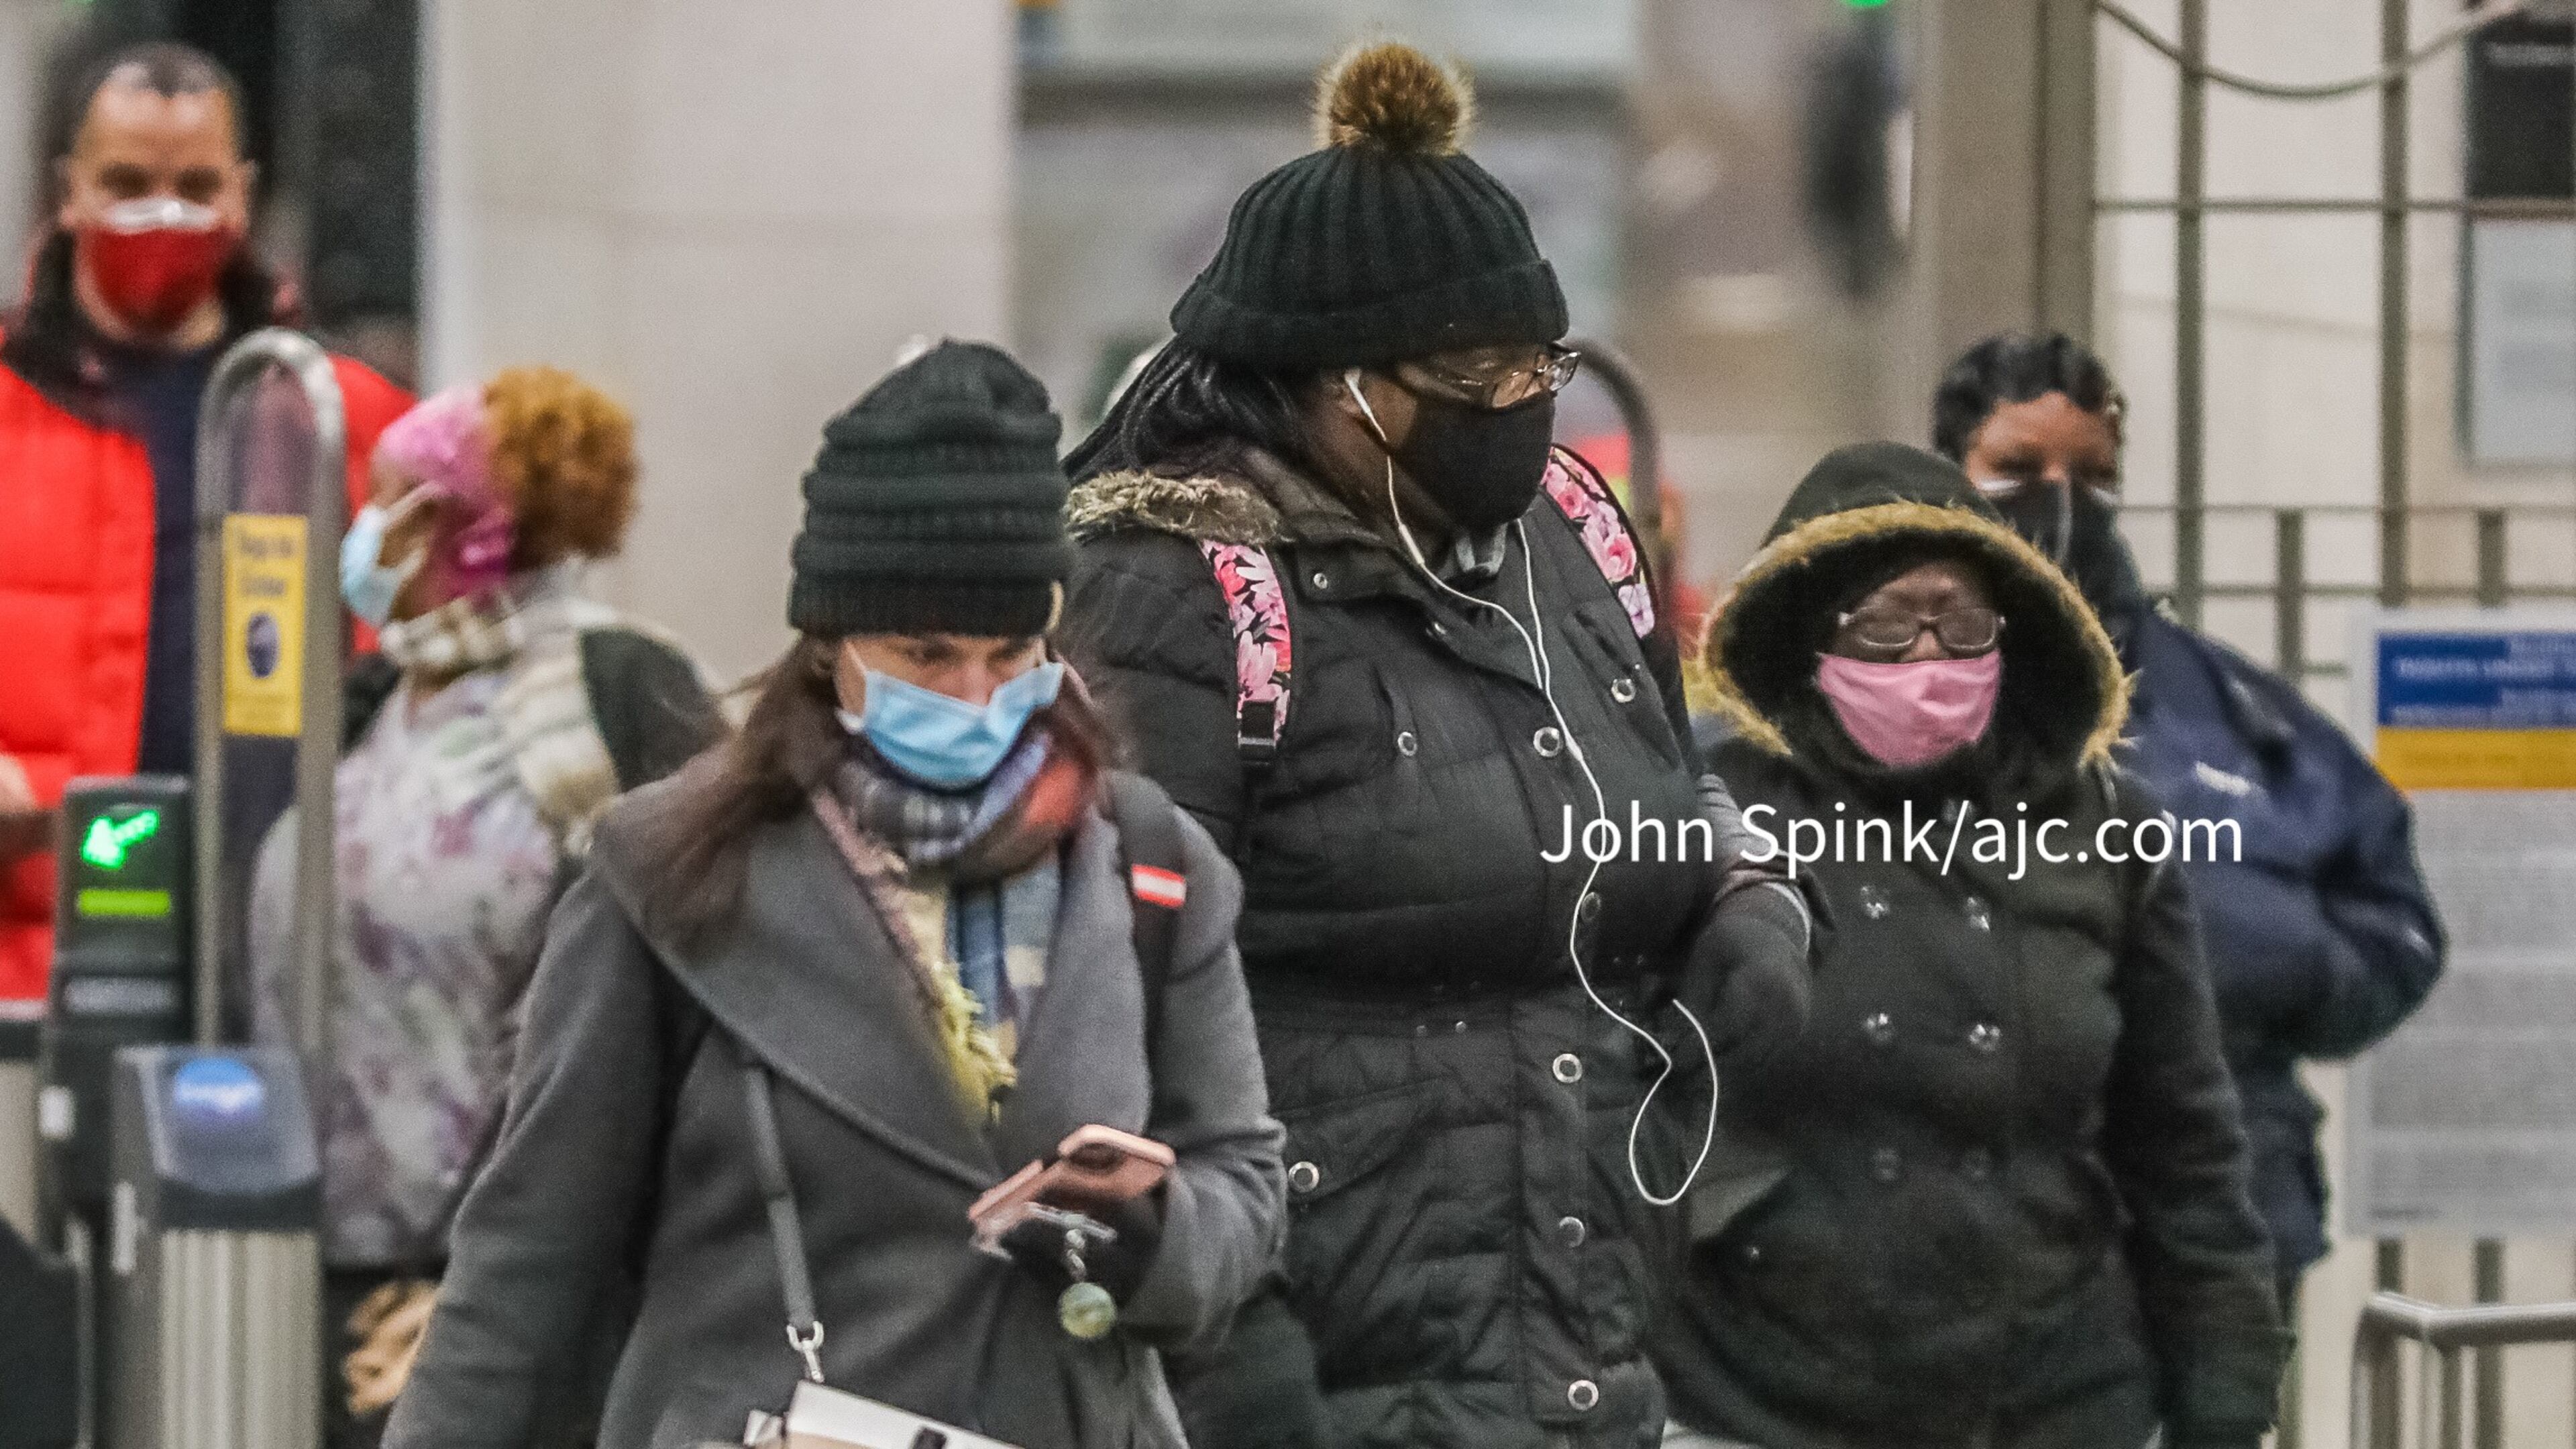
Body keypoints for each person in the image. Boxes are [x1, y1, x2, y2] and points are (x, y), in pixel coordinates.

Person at [1060, 42, 1812, 1449]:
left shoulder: (1573, 542)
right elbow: (1114, 999)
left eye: (1542, 359)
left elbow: (1667, 770)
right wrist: (1234, 1337)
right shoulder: (1178, 591)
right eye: (1477, 371)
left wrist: (1743, 887)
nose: (1523, 398)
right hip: (1322, 1355)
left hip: (1581, 1323)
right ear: (1335, 383)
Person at [382, 341, 1284, 1449]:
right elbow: (531, 1262)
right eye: (926, 653)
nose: (975, 696)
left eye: (1013, 652)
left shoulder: (1150, 862)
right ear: (829, 642)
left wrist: (1153, 1236)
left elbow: (1244, 1184)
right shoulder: (670, 869)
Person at [1655, 441, 2283, 1449]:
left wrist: (2227, 1397)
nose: (1929, 660)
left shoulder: (2107, 826)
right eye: (1888, 626)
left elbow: (2185, 1145)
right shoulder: (1701, 813)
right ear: (1812, 639)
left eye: (1961, 622)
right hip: (1764, 1392)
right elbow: (1598, 1101)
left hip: (2053, 1392)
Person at [244, 366, 721, 1446]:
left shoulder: (615, 688)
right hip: (328, 1265)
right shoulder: (372, 703)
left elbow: (668, 978)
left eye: (391, 502)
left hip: (514, 1279)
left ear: (465, 530)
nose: (364, 533)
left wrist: (471, 1268)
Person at [1931, 332, 2443, 1305]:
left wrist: (2274, 962)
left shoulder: (2234, 714)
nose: (2060, 497)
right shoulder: (1879, 697)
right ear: (1950, 472)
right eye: (2017, 468)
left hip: (2215, 1239)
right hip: (1961, 1247)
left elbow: (2394, 920)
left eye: (2090, 473)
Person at [0, 41, 411, 1020]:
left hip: (288, 970)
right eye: (128, 184)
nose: (165, 215)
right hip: (39, 970)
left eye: (195, 186)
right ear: (69, 191)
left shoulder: (346, 420)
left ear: (244, 195)